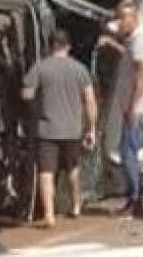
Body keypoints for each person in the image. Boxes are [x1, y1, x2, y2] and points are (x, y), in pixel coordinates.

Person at [21, 28, 98, 229]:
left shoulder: (39, 67)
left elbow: (26, 94)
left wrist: (36, 109)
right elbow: (90, 101)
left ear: (49, 46)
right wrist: (91, 129)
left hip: (46, 129)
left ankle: (49, 215)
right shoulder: (80, 69)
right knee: (73, 169)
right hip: (72, 129)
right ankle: (76, 206)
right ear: (68, 47)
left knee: (46, 171)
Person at [97, 2, 143, 220]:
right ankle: (134, 200)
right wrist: (114, 45)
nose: (119, 24)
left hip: (139, 108)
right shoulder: (134, 43)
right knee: (127, 152)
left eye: (123, 18)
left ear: (134, 18)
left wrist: (133, 105)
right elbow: (133, 60)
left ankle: (135, 202)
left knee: (127, 153)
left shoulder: (140, 42)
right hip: (137, 107)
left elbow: (142, 74)